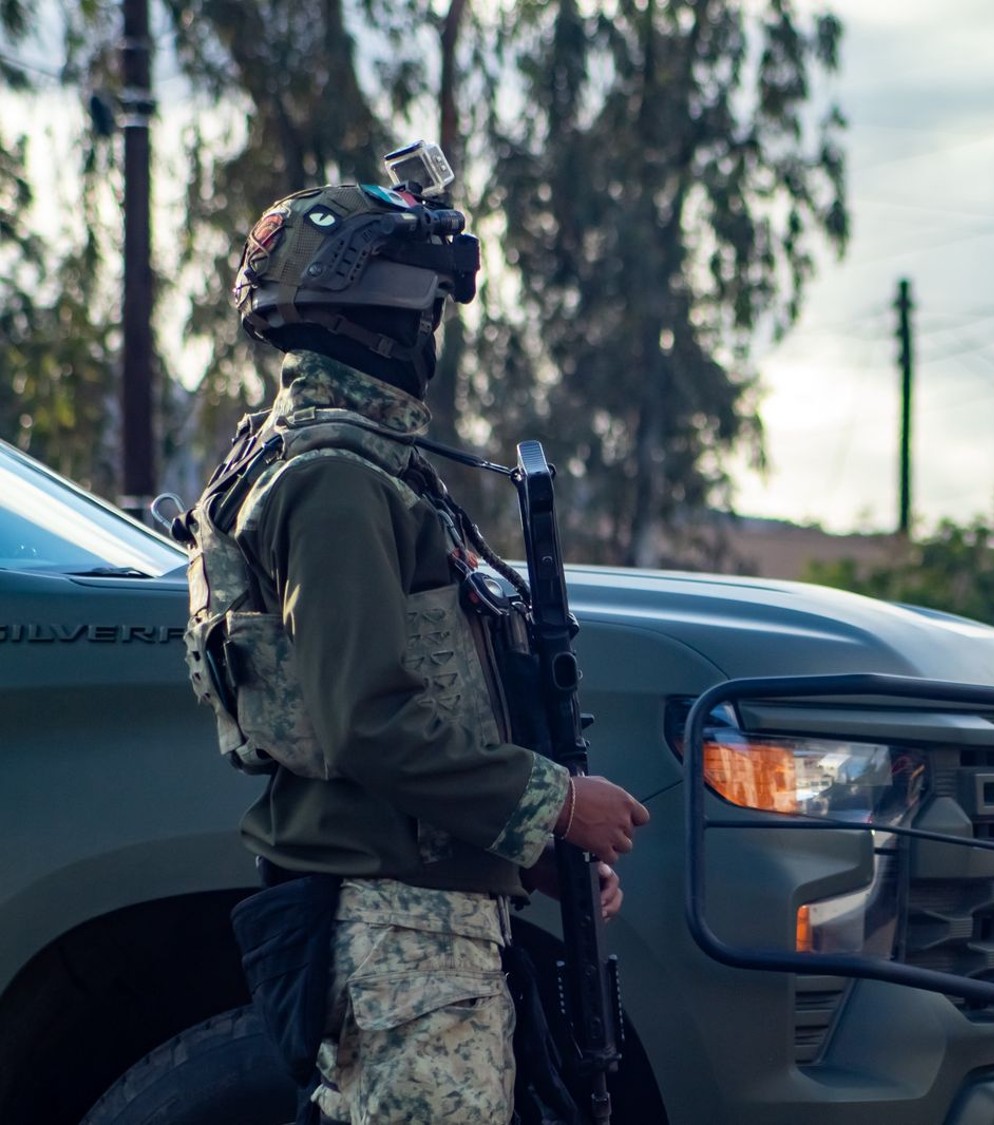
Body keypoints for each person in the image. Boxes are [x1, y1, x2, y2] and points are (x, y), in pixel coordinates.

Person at [181, 161, 649, 1123]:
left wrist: (531, 853)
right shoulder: (337, 479)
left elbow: (424, 710)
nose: (431, 328)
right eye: (428, 303)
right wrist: (558, 804)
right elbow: (368, 723)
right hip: (398, 931)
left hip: (420, 914)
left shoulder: (363, 468)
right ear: (383, 314)